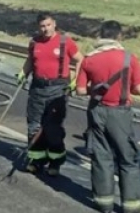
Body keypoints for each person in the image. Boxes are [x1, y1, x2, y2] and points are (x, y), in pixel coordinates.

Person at [76, 20, 140, 213]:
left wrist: (97, 89)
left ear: (101, 35)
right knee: (127, 158)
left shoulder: (89, 59)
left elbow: (79, 90)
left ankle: (104, 203)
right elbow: (137, 88)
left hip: (97, 111)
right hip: (120, 113)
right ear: (119, 36)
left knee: (101, 157)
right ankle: (131, 206)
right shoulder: (130, 59)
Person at [17, 11, 83, 176]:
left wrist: (76, 80)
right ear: (38, 27)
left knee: (52, 128)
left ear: (54, 24)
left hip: (58, 90)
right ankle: (36, 160)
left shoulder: (65, 42)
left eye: (48, 25)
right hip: (37, 88)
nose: (45, 29)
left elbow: (81, 60)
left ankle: (55, 163)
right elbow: (30, 61)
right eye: (42, 26)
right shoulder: (34, 42)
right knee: (34, 126)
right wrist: (23, 72)